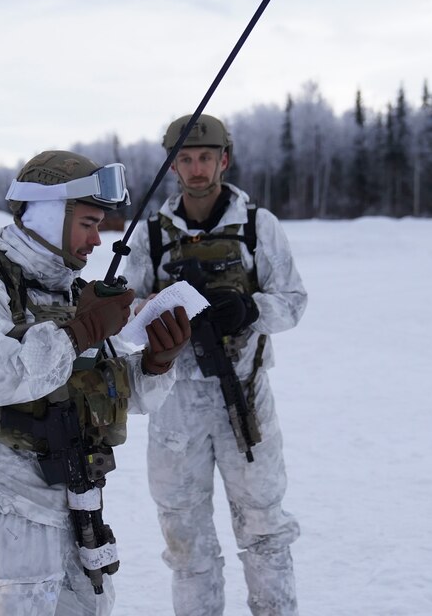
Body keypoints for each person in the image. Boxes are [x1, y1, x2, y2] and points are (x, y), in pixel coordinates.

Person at [0, 149, 191, 616]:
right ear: (52, 214)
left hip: (76, 505)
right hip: (4, 512)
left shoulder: (71, 294)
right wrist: (83, 330)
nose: (97, 239)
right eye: (88, 223)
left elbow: (102, 391)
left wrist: (154, 364)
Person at [122, 114, 308, 615]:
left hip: (245, 397)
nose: (197, 168)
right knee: (185, 539)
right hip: (173, 402)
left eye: (206, 157)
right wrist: (157, 310)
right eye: (185, 158)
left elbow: (292, 300)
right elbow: (123, 314)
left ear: (224, 160)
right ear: (173, 165)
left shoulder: (256, 225)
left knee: (265, 528)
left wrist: (250, 308)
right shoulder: (150, 235)